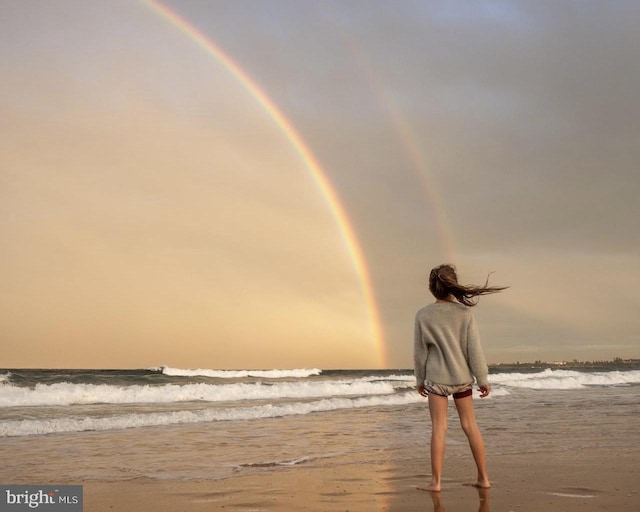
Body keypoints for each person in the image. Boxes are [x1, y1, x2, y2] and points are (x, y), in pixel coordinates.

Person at [414, 264, 507, 492]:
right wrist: (482, 379)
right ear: (452, 286)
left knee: (439, 428)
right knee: (470, 426)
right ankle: (483, 478)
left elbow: (420, 353)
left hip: (436, 380)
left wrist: (419, 380)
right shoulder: (465, 314)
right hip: (462, 379)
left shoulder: (423, 315)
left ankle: (436, 482)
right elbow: (473, 349)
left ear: (431, 288)